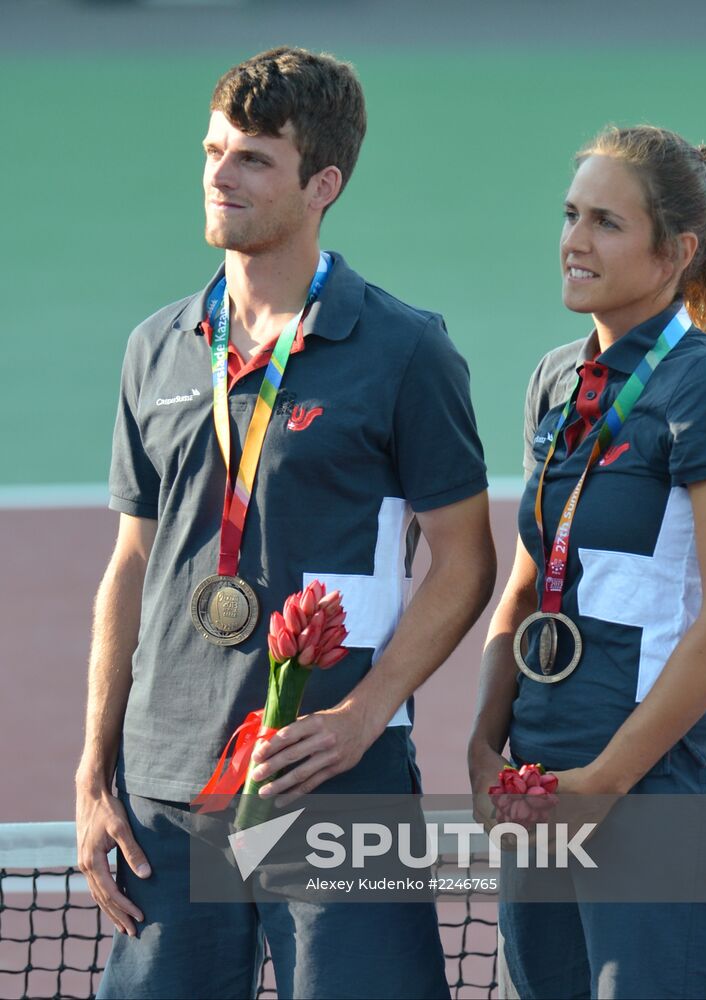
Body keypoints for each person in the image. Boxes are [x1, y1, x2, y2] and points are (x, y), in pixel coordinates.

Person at [75, 46, 496, 1000]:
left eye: (255, 158)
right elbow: (131, 563)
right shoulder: (157, 346)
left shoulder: (404, 350)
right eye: (215, 150)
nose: (221, 175)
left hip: (335, 785)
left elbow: (467, 563)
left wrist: (362, 714)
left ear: (323, 185)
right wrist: (97, 770)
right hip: (167, 794)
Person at [468, 125, 706, 999]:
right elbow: (527, 583)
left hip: (659, 797)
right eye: (571, 215)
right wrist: (486, 743)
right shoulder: (556, 379)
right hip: (544, 790)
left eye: (606, 222)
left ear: (677, 251)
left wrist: (603, 781)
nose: (574, 241)